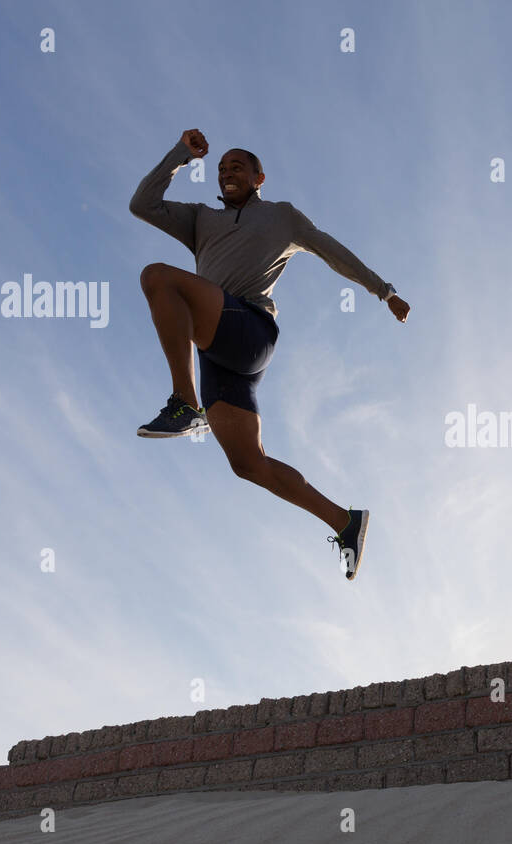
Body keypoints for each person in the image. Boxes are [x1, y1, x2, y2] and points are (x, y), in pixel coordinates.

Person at [128, 128, 409, 580]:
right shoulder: (200, 219)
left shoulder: (282, 217)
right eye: (221, 168)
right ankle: (346, 522)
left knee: (157, 277)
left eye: (237, 165)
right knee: (247, 463)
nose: (227, 172)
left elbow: (333, 252)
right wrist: (182, 154)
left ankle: (185, 402)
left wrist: (384, 291)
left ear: (260, 177)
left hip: (251, 330)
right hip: (217, 353)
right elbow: (142, 204)